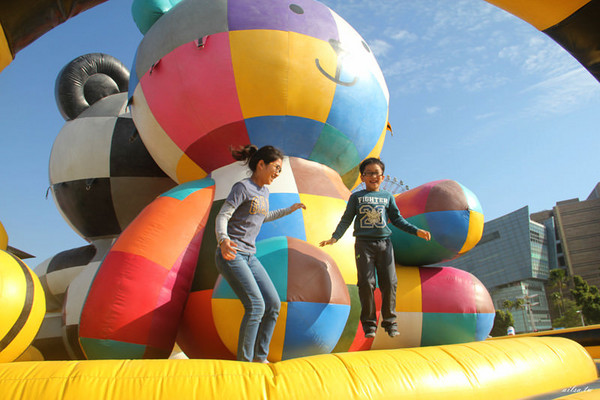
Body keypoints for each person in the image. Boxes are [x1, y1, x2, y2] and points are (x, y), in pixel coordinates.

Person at [320, 157, 431, 338]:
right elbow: (346, 219)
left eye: (376, 173)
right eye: (368, 173)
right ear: (362, 177)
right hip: (363, 245)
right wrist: (335, 237)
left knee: (390, 282)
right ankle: (369, 324)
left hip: (384, 244)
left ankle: (390, 321)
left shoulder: (387, 197)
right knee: (366, 283)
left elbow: (397, 219)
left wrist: (415, 230)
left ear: (382, 177)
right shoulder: (356, 197)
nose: (373, 176)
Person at [215, 144, 306, 363]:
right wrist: (223, 239)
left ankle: (260, 358)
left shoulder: (265, 192)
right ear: (261, 164)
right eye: (275, 168)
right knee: (256, 305)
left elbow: (261, 216)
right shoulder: (242, 187)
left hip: (249, 255)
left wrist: (288, 210)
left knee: (273, 304)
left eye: (280, 170)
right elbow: (223, 216)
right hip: (232, 252)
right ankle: (245, 363)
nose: (277, 173)